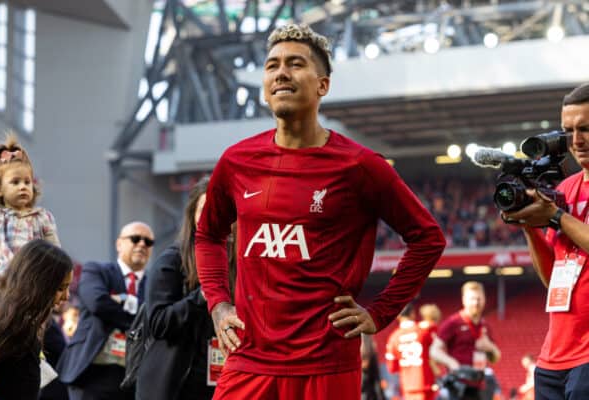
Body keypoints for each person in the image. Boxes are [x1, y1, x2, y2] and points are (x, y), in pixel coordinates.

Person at [195, 23, 446, 399]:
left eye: (295, 64)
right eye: (272, 65)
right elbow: (208, 235)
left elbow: (427, 238)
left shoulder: (360, 166)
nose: (281, 72)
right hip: (249, 359)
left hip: (326, 363)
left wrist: (379, 313)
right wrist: (218, 302)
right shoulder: (236, 161)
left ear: (322, 85)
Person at [502, 82, 589, 399]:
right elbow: (553, 278)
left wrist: (555, 217)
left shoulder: (559, 206)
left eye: (586, 129)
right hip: (553, 358)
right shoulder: (565, 189)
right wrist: (529, 224)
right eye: (569, 130)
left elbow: (559, 219)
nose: (576, 140)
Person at [136, 177, 236, 400]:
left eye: (221, 210)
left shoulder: (241, 263)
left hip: (221, 383)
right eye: (206, 210)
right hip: (172, 386)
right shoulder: (171, 261)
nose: (214, 217)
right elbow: (159, 323)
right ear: (192, 216)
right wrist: (204, 295)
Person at [57, 221, 154, 400]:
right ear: (119, 244)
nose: (142, 244)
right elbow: (97, 303)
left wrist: (119, 303)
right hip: (92, 371)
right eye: (135, 239)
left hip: (134, 378)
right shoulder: (96, 270)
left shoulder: (155, 284)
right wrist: (138, 320)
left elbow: (158, 317)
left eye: (148, 242)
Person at [0, 239, 73, 400]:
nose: (66, 296)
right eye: (60, 288)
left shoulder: (23, 321)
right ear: (38, 284)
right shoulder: (9, 323)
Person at [0, 134, 60, 274]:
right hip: (1, 278)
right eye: (15, 182)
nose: (23, 187)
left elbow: (55, 251)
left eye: (27, 182)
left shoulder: (42, 217)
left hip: (32, 278)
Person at [430, 281, 500, 400]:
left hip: (479, 387)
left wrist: (490, 347)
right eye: (472, 299)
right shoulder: (453, 322)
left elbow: (495, 358)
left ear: (484, 299)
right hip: (458, 387)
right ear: (464, 300)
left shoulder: (485, 326)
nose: (476, 303)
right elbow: (434, 350)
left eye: (479, 298)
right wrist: (452, 363)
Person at [385, 303, 437, 400]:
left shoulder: (393, 338)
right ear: (413, 313)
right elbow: (437, 350)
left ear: (398, 316)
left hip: (409, 386)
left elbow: (392, 368)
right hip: (427, 383)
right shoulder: (423, 330)